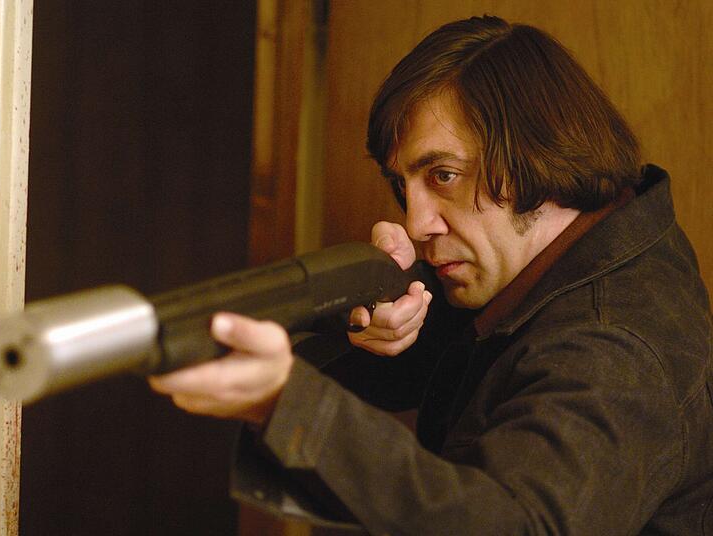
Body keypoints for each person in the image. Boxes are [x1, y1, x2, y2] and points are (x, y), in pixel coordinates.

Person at [149, 15, 712, 535]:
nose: (416, 223)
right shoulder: (565, 257)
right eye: (403, 185)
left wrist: (286, 402)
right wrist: (381, 315)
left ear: (538, 155)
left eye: (443, 175)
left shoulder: (612, 345)